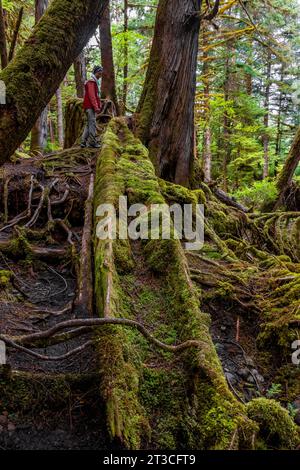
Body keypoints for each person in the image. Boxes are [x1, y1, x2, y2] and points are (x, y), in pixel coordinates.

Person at [81, 66, 103, 148]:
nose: (100, 75)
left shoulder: (94, 81)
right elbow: (92, 95)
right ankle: (92, 142)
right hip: (90, 106)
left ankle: (83, 142)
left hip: (89, 106)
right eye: (99, 73)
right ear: (96, 72)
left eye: (101, 74)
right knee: (92, 124)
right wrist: (96, 106)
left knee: (88, 124)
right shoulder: (91, 82)